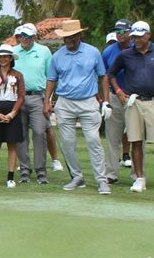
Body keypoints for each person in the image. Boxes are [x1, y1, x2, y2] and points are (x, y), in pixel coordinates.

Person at [44, 19, 111, 194]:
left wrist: (106, 101)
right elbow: (51, 79)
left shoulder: (92, 52)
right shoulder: (57, 56)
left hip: (88, 101)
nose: (69, 40)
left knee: (93, 140)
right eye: (66, 37)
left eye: (73, 36)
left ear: (79, 35)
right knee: (67, 143)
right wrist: (47, 101)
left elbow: (103, 76)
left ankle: (101, 180)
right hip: (64, 102)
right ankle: (76, 177)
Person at [108, 21, 154, 193]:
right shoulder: (125, 55)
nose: (137, 40)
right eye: (134, 37)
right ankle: (139, 179)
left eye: (140, 36)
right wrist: (118, 91)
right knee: (135, 141)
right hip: (133, 102)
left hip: (152, 101)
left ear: (148, 35)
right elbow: (111, 73)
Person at [12, 23, 53, 184]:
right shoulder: (13, 52)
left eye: (28, 36)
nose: (24, 39)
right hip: (17, 98)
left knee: (39, 132)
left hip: (37, 97)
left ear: (34, 37)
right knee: (20, 135)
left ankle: (41, 170)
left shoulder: (44, 51)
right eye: (22, 36)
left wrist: (48, 100)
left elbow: (51, 77)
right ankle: (24, 170)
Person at [0, 45, 26, 188]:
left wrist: (12, 114)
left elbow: (21, 97)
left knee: (12, 144)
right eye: (0, 57)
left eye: (5, 57)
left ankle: (10, 178)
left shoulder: (18, 75)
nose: (3, 59)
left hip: (12, 111)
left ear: (10, 58)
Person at [102, 19, 134, 183]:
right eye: (117, 31)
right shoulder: (109, 51)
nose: (119, 35)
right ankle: (111, 174)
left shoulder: (137, 48)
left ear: (130, 32)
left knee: (137, 138)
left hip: (134, 98)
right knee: (112, 138)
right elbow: (105, 77)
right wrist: (105, 101)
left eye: (123, 31)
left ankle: (138, 175)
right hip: (115, 97)